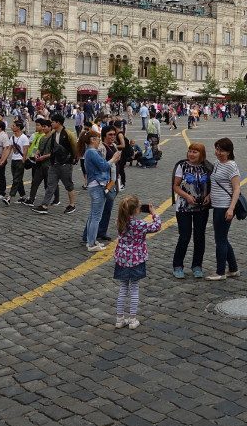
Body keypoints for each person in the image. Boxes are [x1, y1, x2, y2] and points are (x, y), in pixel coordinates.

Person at [112, 195, 161, 329]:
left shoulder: (119, 221)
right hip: (136, 259)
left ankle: (119, 318)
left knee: (123, 288)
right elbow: (157, 226)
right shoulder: (140, 225)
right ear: (136, 210)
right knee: (134, 288)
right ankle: (132, 319)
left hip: (122, 258)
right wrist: (154, 213)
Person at [172, 143, 212, 278]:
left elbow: (213, 185)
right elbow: (176, 186)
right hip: (184, 207)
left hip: (202, 207)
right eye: (190, 151)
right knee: (184, 236)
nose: (191, 154)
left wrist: (209, 196)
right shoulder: (181, 166)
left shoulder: (207, 167)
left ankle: (197, 265)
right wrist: (187, 196)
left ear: (202, 154)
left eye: (195, 152)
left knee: (200, 237)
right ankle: (178, 265)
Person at [206, 138, 241, 280]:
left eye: (222, 150)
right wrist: (209, 195)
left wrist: (231, 209)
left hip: (225, 206)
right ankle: (233, 269)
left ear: (229, 152)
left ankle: (220, 272)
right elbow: (214, 182)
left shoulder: (231, 166)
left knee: (220, 239)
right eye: (217, 149)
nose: (218, 153)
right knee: (222, 239)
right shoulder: (217, 164)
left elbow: (237, 188)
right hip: (216, 204)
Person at [83, 129, 120, 252]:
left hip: (96, 184)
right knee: (96, 216)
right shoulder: (92, 152)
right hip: (97, 185)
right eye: (98, 138)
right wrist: (113, 159)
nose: (99, 140)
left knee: (94, 215)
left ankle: (90, 240)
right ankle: (91, 243)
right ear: (92, 140)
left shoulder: (90, 152)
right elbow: (104, 166)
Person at [35, 113, 78, 215]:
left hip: (65, 164)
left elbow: (75, 148)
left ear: (58, 123)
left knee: (68, 185)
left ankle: (72, 205)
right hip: (54, 164)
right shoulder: (54, 133)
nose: (51, 123)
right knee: (51, 185)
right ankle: (44, 205)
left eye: (53, 122)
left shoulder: (68, 133)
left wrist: (73, 159)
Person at [6, 120, 30, 204]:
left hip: (20, 161)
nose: (11, 127)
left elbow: (26, 149)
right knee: (18, 179)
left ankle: (9, 197)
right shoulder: (12, 137)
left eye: (13, 126)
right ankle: (23, 196)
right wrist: (4, 159)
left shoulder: (24, 137)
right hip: (14, 160)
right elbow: (9, 149)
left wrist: (23, 160)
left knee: (16, 180)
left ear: (18, 127)